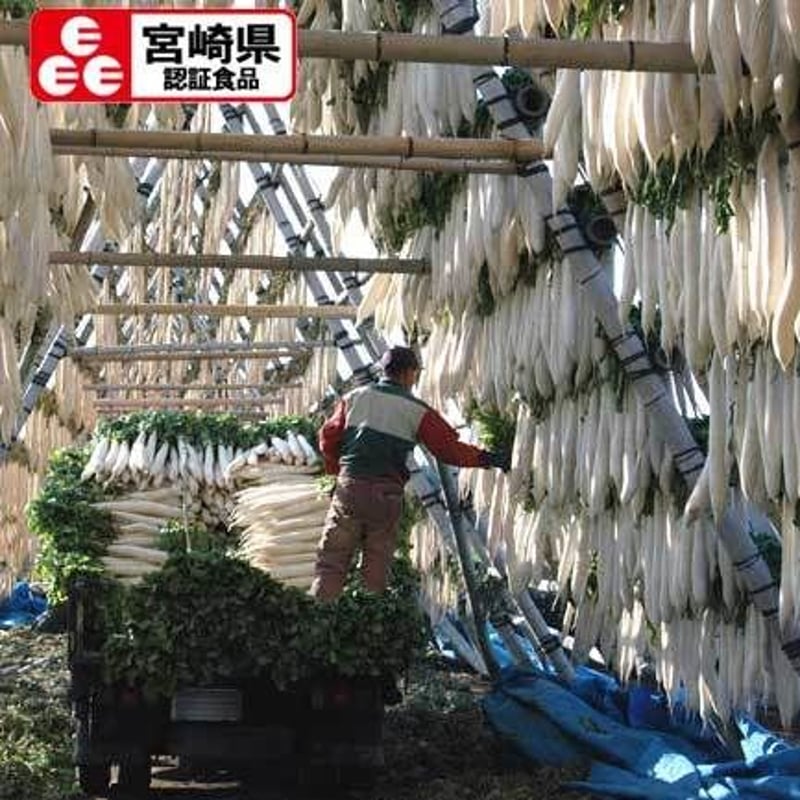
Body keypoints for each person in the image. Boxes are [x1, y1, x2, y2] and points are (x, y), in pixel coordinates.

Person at [309, 346, 511, 601]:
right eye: (416, 373)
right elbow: (449, 450)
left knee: (332, 560)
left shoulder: (354, 398)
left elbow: (327, 438)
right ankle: (368, 617)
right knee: (376, 564)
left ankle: (321, 611)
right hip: (385, 495)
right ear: (408, 374)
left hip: (350, 488)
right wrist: (488, 458)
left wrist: (338, 471)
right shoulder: (417, 410)